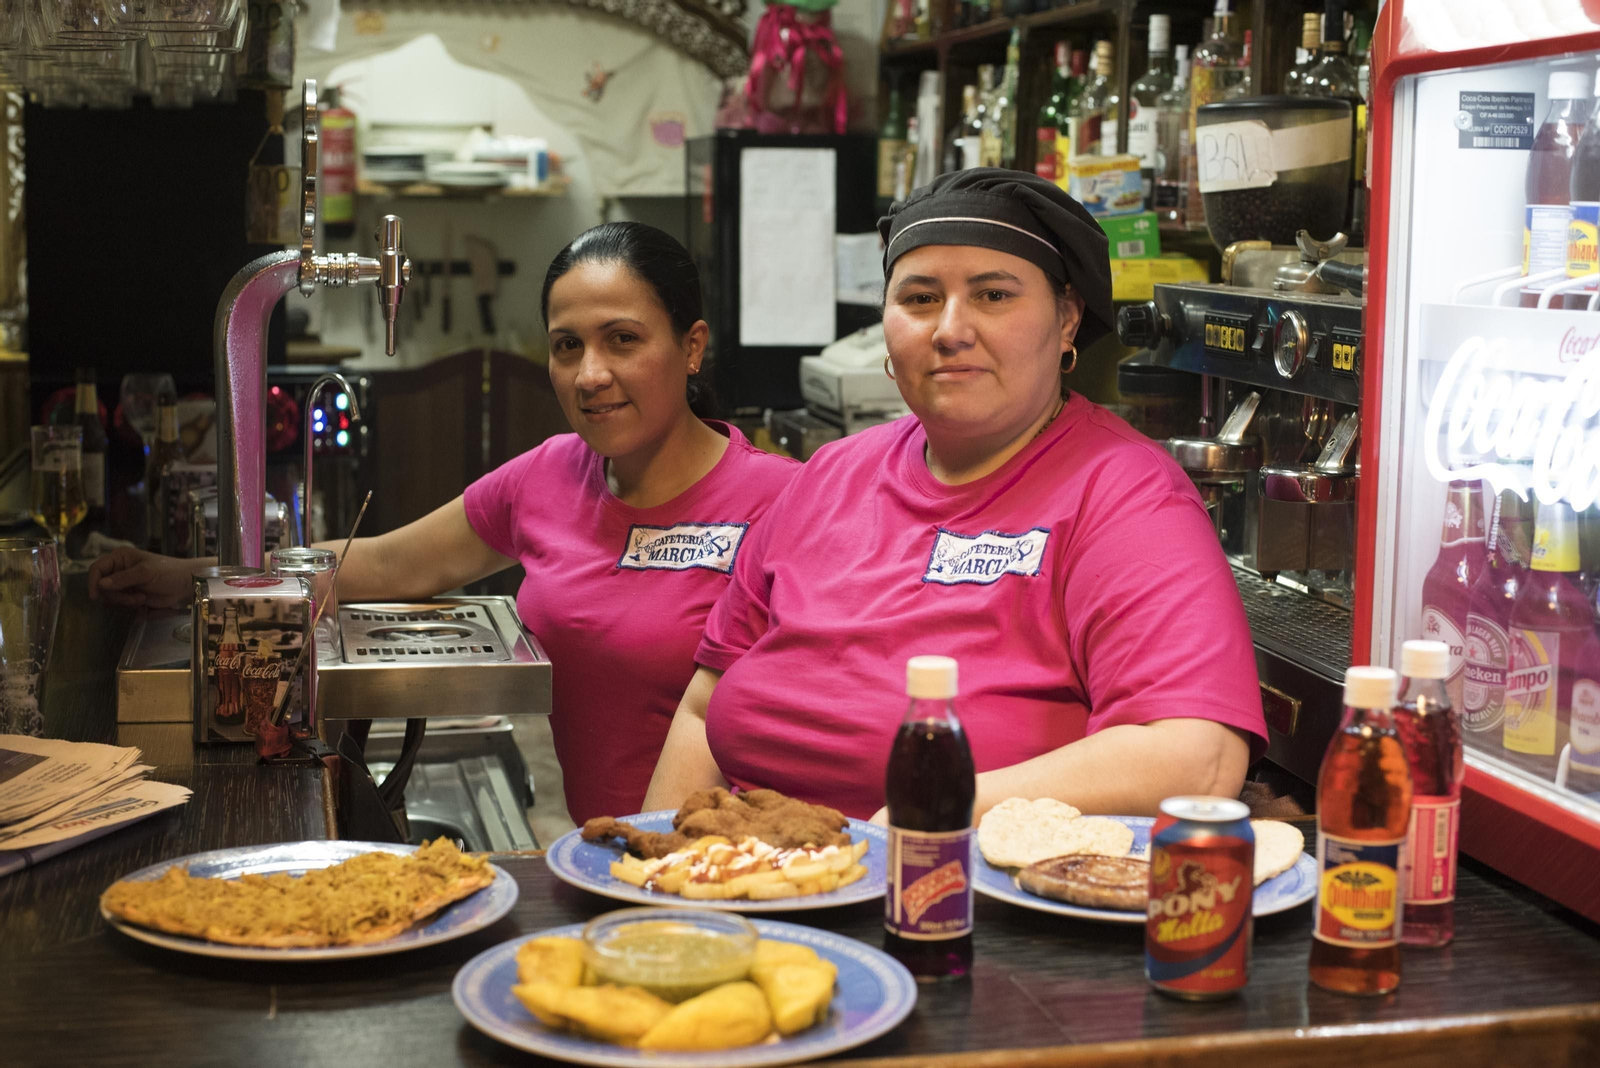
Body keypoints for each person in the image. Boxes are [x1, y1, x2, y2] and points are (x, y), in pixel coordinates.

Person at [90, 222, 798, 825]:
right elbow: (388, 563)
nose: (589, 374)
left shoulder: (787, 500)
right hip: (608, 856)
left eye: (622, 339)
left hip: (741, 864)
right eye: (567, 346)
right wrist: (193, 578)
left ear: (692, 346)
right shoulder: (551, 475)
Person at [643, 170, 1266, 822]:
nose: (950, 329)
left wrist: (935, 808)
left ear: (1067, 320)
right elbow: (702, 708)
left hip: (948, 876)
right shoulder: (828, 477)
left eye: (993, 295)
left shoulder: (1124, 496)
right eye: (919, 298)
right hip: (746, 867)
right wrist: (651, 864)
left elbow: (1196, 756)